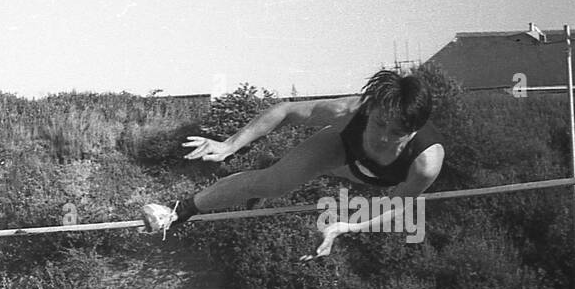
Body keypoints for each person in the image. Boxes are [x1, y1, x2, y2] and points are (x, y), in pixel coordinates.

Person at [140, 70, 445, 259]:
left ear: (414, 131)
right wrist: (229, 145)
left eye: (396, 134)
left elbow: (397, 204)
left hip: (379, 178)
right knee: (274, 183)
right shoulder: (349, 110)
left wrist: (346, 227)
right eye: (378, 124)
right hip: (341, 151)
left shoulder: (426, 162)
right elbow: (285, 111)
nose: (382, 137)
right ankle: (177, 211)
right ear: (371, 110)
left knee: (291, 177)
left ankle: (283, 171)